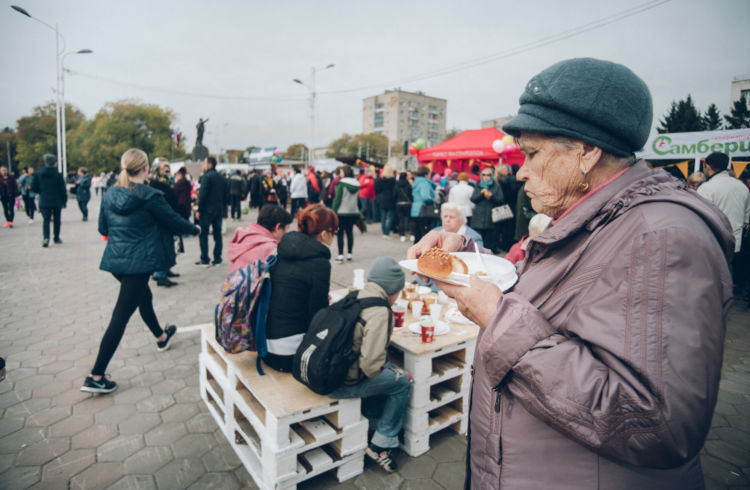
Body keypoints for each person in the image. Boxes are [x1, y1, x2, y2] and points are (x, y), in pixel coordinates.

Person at [408, 58, 734, 488]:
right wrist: (463, 254)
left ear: (585, 151)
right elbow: (548, 292)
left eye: (532, 153)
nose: (520, 170)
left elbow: (657, 427)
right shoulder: (592, 217)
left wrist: (498, 319)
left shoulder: (661, 237)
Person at [81, 148, 200, 394]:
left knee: (144, 297)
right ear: (145, 168)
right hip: (138, 263)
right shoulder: (150, 196)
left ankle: (160, 337)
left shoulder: (110, 194)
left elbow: (103, 227)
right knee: (121, 316)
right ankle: (96, 375)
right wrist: (195, 229)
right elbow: (173, 221)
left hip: (117, 262)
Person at [329, 257, 411, 474]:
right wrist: (392, 370)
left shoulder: (354, 296)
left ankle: (372, 421)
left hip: (327, 371)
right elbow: (371, 367)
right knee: (402, 381)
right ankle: (381, 444)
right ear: (393, 289)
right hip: (340, 383)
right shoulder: (380, 310)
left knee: (389, 371)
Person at [264, 204, 338, 372]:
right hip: (290, 355)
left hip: (267, 346)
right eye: (335, 232)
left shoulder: (282, 248)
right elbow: (317, 315)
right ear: (325, 234)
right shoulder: (320, 263)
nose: (334, 237)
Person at [697, 152, 750, 257]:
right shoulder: (742, 187)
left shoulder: (706, 188)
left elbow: (699, 218)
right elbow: (746, 219)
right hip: (737, 244)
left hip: (714, 243)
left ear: (707, 166)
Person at [228, 204, 293, 272]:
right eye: (285, 231)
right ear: (277, 227)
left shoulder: (243, 236)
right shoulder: (271, 249)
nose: (285, 235)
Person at [195, 157, 227, 266]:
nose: (204, 166)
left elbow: (202, 194)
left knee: (203, 234)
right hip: (218, 209)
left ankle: (205, 258)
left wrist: (199, 209)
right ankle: (217, 257)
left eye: (204, 163)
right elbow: (225, 196)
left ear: (209, 164)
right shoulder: (222, 178)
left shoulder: (206, 177)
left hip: (207, 210)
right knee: (218, 235)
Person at [32, 154, 67, 247]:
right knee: (57, 219)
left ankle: (46, 238)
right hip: (56, 200)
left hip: (44, 200)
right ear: (54, 163)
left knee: (46, 220)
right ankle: (56, 237)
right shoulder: (58, 174)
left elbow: (33, 187)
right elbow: (62, 189)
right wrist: (64, 201)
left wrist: (41, 192)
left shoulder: (38, 173)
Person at [470, 166, 505, 253]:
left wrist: (491, 196)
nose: (486, 177)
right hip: (478, 218)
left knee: (489, 242)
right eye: (484, 175)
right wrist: (481, 194)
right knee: (478, 241)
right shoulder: (478, 185)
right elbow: (473, 199)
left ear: (492, 176)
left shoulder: (496, 186)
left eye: (488, 175)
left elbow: (501, 200)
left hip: (491, 218)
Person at [332, 165, 361, 263]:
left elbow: (337, 199)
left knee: (340, 233)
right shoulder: (357, 184)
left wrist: (333, 211)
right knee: (350, 233)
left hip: (341, 212)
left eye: (341, 172)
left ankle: (340, 255)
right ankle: (349, 254)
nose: (340, 174)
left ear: (345, 172)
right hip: (353, 211)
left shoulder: (341, 184)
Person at [410, 166, 436, 243]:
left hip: (415, 210)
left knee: (417, 234)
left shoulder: (416, 182)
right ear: (426, 174)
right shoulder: (424, 183)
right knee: (424, 234)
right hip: (423, 210)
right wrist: (433, 199)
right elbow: (425, 197)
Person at [375, 165, 396, 238]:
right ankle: (386, 232)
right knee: (390, 217)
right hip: (391, 199)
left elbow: (377, 190)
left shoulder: (379, 180)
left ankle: (384, 232)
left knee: (383, 216)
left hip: (382, 199)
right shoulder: (393, 180)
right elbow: (395, 190)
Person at [395, 172, 413, 242]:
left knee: (401, 220)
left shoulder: (396, 185)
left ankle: (402, 235)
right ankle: (412, 234)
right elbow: (411, 195)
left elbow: (394, 195)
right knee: (410, 220)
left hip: (399, 204)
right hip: (408, 204)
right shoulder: (408, 185)